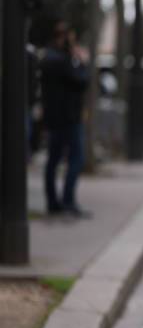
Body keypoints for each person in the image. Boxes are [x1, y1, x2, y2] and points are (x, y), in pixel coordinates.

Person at [40, 20, 91, 218]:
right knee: (76, 158)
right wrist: (82, 62)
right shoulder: (63, 60)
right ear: (66, 37)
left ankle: (53, 202)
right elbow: (81, 81)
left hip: (54, 118)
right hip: (69, 118)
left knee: (53, 160)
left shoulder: (48, 58)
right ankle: (68, 200)